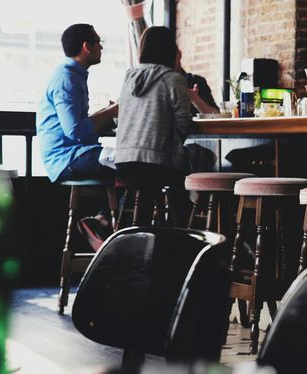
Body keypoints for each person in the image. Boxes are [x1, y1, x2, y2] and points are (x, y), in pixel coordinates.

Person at [37, 23, 119, 249]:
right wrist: (110, 113)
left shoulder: (73, 75)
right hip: (67, 157)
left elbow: (77, 124)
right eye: (98, 42)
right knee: (132, 163)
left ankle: (101, 221)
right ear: (87, 46)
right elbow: (74, 130)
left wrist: (106, 112)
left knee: (131, 163)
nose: (101, 47)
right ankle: (103, 222)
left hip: (75, 153)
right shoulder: (66, 78)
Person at [114, 26, 198, 224]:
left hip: (125, 162)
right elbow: (183, 122)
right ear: (170, 49)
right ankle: (181, 235)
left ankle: (138, 235)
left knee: (146, 188)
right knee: (190, 171)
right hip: (158, 162)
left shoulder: (129, 77)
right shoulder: (173, 79)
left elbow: (118, 118)